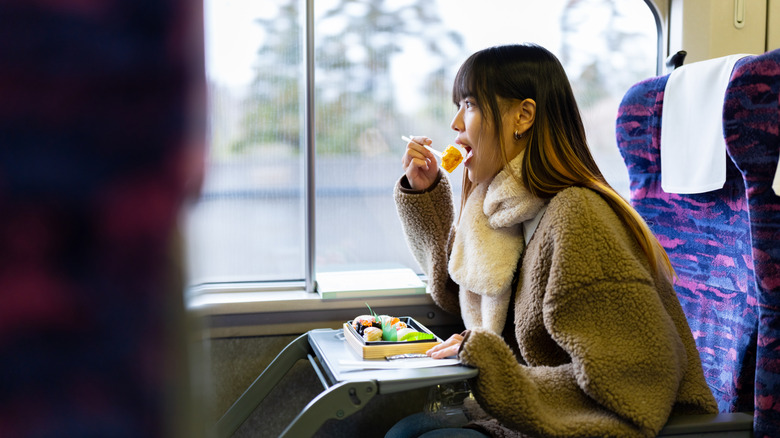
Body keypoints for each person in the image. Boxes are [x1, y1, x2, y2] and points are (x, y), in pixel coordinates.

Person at [389, 44, 717, 438]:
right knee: (408, 428)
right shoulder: (500, 211)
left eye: (471, 104)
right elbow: (455, 288)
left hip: (590, 417)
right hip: (541, 406)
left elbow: (636, 378)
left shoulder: (578, 217)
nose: (456, 122)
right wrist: (423, 193)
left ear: (523, 116)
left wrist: (492, 366)